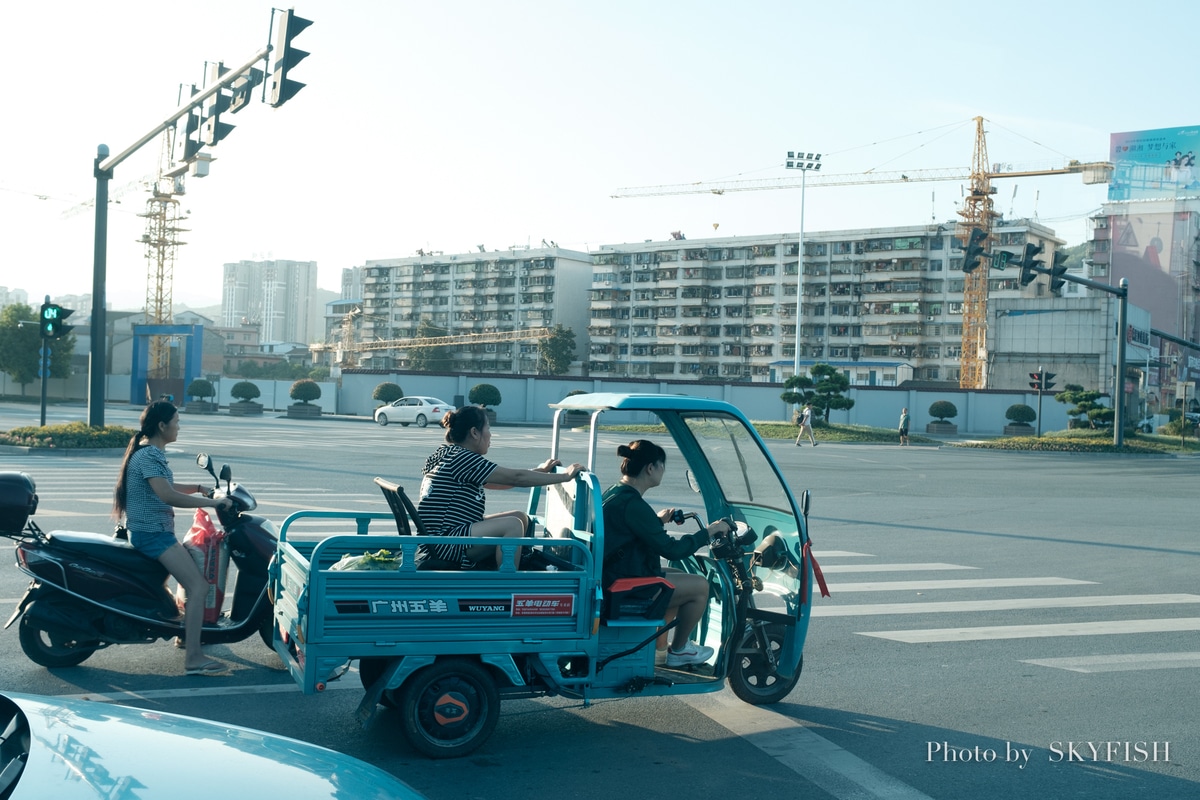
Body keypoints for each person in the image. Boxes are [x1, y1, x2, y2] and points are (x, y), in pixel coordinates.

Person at [112, 401, 233, 676]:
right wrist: (215, 505)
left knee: (187, 584)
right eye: (176, 422)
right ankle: (193, 657)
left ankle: (185, 635)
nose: (179, 427)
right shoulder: (149, 456)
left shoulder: (148, 453)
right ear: (162, 426)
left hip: (151, 532)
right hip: (153, 535)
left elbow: (165, 486)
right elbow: (167, 495)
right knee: (199, 587)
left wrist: (201, 488)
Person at [601, 440, 733, 668]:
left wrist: (657, 521)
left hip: (615, 573)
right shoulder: (633, 504)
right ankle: (679, 650)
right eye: (662, 465)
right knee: (700, 586)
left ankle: (659, 649)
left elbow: (627, 530)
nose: (663, 470)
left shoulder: (616, 492)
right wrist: (708, 532)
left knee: (674, 575)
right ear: (650, 468)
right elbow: (672, 549)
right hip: (621, 583)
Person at [417, 405, 584, 570]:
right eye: (488, 428)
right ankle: (506, 583)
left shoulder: (447, 454)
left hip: (441, 538)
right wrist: (565, 476)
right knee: (513, 526)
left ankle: (499, 566)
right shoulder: (463, 458)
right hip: (444, 543)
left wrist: (541, 472)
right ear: (475, 433)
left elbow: (499, 481)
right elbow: (516, 478)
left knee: (520, 517)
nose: (491, 435)